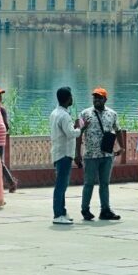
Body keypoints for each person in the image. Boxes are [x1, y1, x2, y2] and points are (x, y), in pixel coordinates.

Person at [76, 87, 124, 221]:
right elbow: (78, 134)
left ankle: (105, 210)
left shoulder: (112, 114)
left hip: (107, 155)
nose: (96, 100)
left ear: (105, 99)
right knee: (89, 183)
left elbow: (118, 130)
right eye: (95, 97)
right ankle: (85, 209)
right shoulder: (85, 114)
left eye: (99, 97)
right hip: (91, 155)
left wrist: (122, 147)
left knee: (105, 183)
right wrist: (77, 153)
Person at [50, 86, 82, 225]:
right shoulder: (64, 116)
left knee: (62, 184)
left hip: (59, 152)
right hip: (64, 154)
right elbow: (71, 134)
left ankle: (62, 211)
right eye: (71, 97)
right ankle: (58, 214)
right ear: (68, 99)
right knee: (61, 185)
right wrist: (80, 128)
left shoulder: (55, 113)